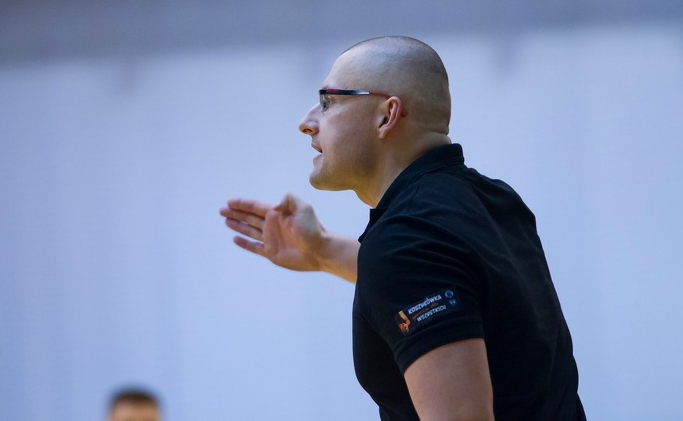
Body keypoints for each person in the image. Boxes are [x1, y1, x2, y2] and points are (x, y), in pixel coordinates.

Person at [220, 36, 585, 420]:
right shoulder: (492, 199)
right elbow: (442, 276)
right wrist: (323, 250)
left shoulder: (406, 240)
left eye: (327, 102)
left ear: (386, 116)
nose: (306, 123)